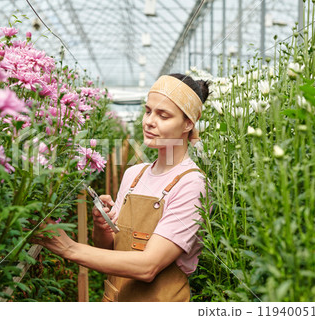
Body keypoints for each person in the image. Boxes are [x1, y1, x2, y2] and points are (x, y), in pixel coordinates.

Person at [36, 73, 210, 302]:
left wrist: (69, 248)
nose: (149, 121)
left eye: (163, 115)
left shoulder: (191, 184)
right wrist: (102, 226)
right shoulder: (134, 175)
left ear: (188, 123)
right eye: (148, 111)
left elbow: (148, 267)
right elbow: (108, 252)